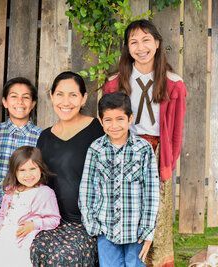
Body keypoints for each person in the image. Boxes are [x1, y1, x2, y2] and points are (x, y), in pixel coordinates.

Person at [103, 19, 187, 266]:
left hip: (157, 153)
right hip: (124, 150)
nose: (141, 47)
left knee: (155, 217)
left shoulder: (174, 83)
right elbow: (109, 123)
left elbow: (176, 131)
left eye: (146, 40)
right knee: (127, 210)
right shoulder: (114, 83)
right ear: (128, 48)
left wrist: (168, 163)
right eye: (134, 42)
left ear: (157, 43)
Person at [30, 71, 104, 266]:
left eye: (73, 95)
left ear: (83, 98)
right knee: (32, 250)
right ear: (52, 96)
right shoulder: (45, 137)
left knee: (62, 258)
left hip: (86, 224)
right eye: (60, 94)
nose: (66, 101)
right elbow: (39, 181)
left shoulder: (97, 130)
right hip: (52, 220)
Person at [79, 92, 160, 266]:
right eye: (108, 120)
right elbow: (87, 188)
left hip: (136, 231)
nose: (114, 125)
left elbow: (151, 192)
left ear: (130, 119)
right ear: (101, 121)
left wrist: (147, 231)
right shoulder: (96, 149)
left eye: (120, 119)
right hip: (106, 230)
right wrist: (92, 224)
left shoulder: (143, 149)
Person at [0, 77, 42, 261]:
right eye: (14, 96)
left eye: (26, 97)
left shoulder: (41, 136)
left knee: (20, 255)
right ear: (5, 102)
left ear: (33, 103)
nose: (20, 102)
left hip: (27, 208)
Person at [0, 146, 60, 267]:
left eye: (33, 168)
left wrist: (33, 224)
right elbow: (2, 217)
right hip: (3, 240)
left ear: (40, 169)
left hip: (23, 243)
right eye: (22, 170)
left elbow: (54, 219)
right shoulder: (11, 191)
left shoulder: (45, 193)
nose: (28, 174)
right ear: (14, 172)